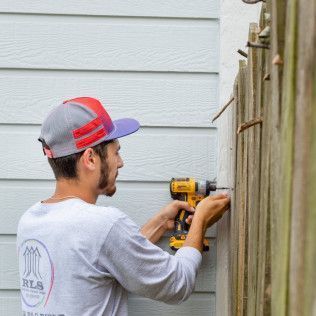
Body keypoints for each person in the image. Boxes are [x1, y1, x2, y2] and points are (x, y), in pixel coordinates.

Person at [17, 97, 230, 316]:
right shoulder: (102, 225)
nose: (120, 162)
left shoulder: (30, 221)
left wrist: (158, 224)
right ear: (90, 158)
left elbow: (97, 262)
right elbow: (178, 284)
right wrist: (201, 220)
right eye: (115, 152)